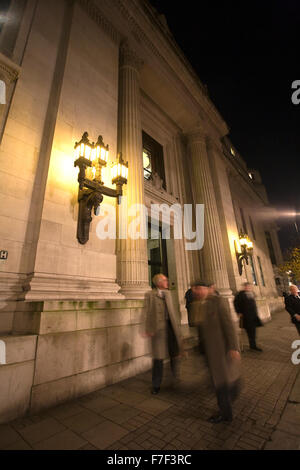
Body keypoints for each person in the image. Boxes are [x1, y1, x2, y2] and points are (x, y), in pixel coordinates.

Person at [189, 283, 241, 423]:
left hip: (221, 350)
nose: (196, 292)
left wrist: (234, 347)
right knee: (219, 381)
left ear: (207, 289)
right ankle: (233, 390)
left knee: (220, 384)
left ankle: (225, 414)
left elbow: (229, 326)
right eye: (194, 289)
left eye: (199, 288)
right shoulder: (196, 304)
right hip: (207, 351)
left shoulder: (218, 302)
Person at [144, 273, 183, 395]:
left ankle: (175, 379)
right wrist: (148, 329)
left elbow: (174, 312)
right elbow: (146, 313)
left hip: (171, 329)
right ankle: (156, 385)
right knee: (158, 359)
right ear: (159, 282)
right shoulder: (149, 295)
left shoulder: (169, 294)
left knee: (174, 355)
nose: (167, 282)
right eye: (165, 280)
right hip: (158, 330)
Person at [234, 282, 263, 351]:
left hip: (253, 316)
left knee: (253, 331)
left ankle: (253, 345)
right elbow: (236, 303)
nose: (249, 288)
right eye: (247, 286)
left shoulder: (252, 293)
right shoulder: (240, 294)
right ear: (245, 287)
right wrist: (238, 312)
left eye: (249, 287)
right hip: (246, 316)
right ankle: (252, 345)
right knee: (250, 331)